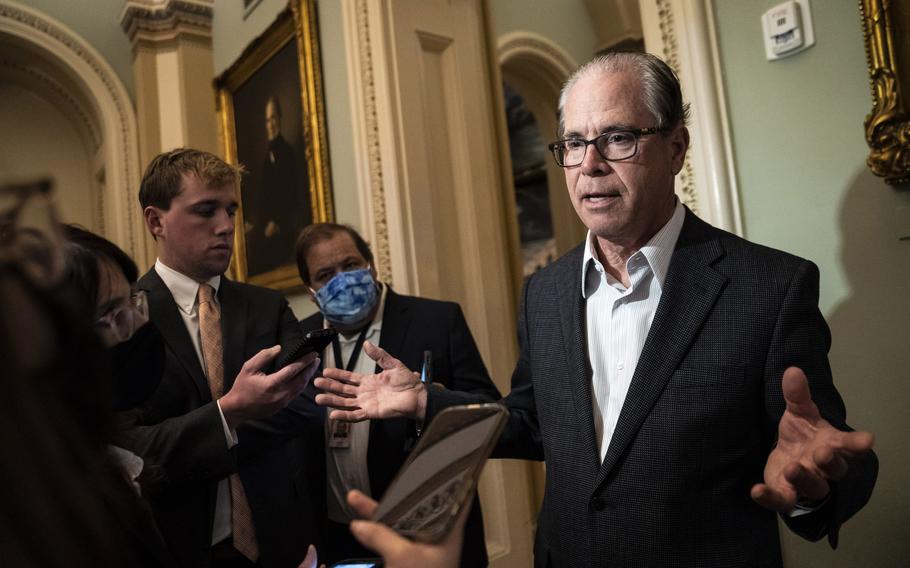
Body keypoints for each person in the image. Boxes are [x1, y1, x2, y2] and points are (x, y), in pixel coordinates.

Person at [313, 52, 879, 567]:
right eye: (574, 143)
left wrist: (816, 488)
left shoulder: (768, 286)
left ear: (677, 147)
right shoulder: (546, 291)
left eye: (618, 138)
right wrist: (426, 402)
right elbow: (535, 423)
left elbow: (824, 449)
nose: (590, 165)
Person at [122, 148, 324, 568]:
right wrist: (226, 415)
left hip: (278, 541)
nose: (227, 226)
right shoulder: (125, 317)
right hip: (174, 546)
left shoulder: (267, 308)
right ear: (155, 221)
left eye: (231, 210)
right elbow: (130, 447)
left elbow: (304, 405)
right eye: (206, 211)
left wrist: (200, 430)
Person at [295, 223, 501, 567]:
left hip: (427, 536)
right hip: (338, 540)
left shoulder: (436, 320)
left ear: (371, 265)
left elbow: (490, 412)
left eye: (350, 265)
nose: (342, 279)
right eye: (326, 274)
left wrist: (425, 404)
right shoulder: (300, 340)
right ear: (311, 290)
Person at [246, 95, 311, 276]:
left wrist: (277, 221)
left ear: (280, 119)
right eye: (267, 120)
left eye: (273, 118)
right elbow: (264, 193)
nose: (271, 124)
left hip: (283, 224)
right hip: (266, 221)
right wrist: (253, 221)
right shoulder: (268, 154)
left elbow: (290, 193)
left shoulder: (287, 153)